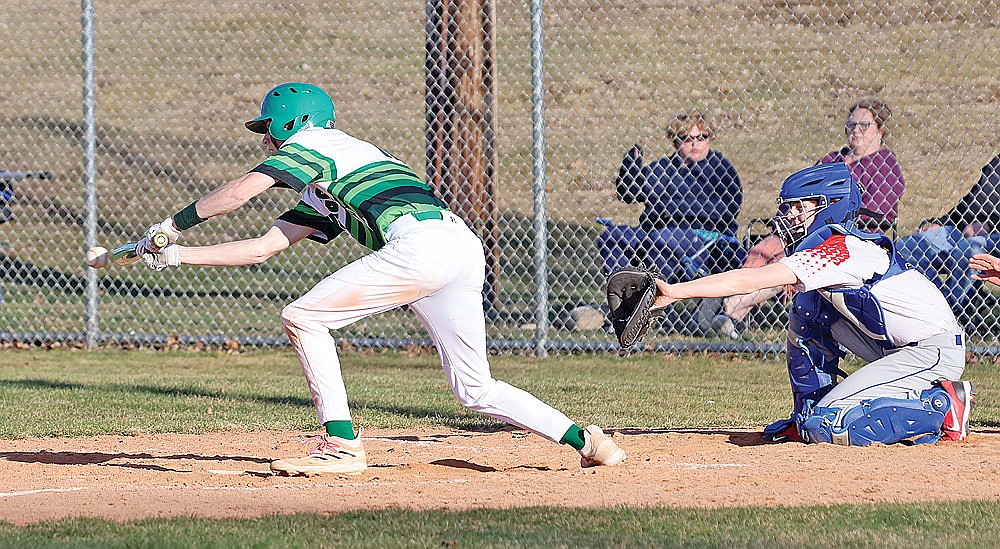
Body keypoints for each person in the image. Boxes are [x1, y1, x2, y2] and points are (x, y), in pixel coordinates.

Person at [136, 82, 626, 475]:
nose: (266, 138)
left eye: (270, 127)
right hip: (456, 245)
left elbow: (239, 193)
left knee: (303, 317)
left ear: (294, 121)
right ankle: (588, 440)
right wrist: (176, 256)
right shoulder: (335, 169)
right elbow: (264, 248)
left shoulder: (313, 144)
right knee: (475, 390)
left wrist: (170, 225)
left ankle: (341, 446)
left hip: (422, 247)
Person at [650, 162, 973, 446]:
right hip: (894, 348)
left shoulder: (842, 249)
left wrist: (676, 291)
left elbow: (752, 279)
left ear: (828, 206)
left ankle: (942, 406)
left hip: (931, 353)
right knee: (808, 307)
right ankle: (809, 410)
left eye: (797, 207)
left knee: (831, 427)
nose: (788, 216)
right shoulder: (833, 246)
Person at [711, 98, 905, 338]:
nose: (856, 130)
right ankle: (731, 313)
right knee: (761, 250)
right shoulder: (831, 160)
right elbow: (799, 194)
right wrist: (787, 220)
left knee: (787, 260)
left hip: (843, 237)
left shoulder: (884, 165)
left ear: (880, 130)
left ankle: (731, 310)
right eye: (851, 124)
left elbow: (881, 209)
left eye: (864, 125)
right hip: (798, 228)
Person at [598, 111, 744, 284]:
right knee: (612, 236)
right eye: (687, 138)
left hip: (703, 237)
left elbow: (729, 207)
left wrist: (673, 208)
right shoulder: (663, 168)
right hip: (656, 231)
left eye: (702, 137)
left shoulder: (719, 168)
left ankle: (656, 299)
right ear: (676, 142)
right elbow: (629, 195)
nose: (695, 143)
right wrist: (630, 170)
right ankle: (624, 293)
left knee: (662, 240)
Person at [896, 155, 1000, 321]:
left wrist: (990, 224)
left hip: (991, 237)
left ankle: (953, 317)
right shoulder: (996, 164)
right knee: (907, 247)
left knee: (969, 250)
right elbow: (969, 203)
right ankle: (935, 305)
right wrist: (941, 222)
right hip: (963, 229)